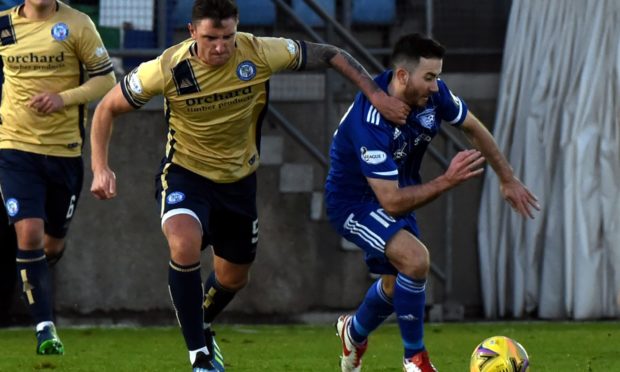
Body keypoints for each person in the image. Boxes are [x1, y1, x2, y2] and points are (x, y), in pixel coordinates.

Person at [89, 0, 410, 371]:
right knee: (183, 241)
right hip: (186, 174)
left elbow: (330, 53)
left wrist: (377, 95)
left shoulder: (259, 51)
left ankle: (201, 322)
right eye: (211, 37)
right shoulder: (166, 68)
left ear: (237, 29)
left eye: (228, 36)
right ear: (192, 32)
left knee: (234, 277)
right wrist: (101, 167)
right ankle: (200, 355)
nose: (221, 47)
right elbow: (106, 108)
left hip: (239, 183)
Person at [325, 33, 540, 372]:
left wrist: (507, 178)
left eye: (438, 76)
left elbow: (473, 126)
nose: (436, 85)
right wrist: (446, 180)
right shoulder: (370, 121)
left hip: (398, 191)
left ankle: (353, 332)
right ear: (402, 76)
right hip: (355, 202)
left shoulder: (433, 96)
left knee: (397, 284)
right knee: (415, 260)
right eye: (429, 77)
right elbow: (391, 202)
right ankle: (415, 359)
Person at [0, 0, 115, 355]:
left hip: (64, 152)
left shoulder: (77, 24)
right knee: (29, 231)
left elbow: (106, 79)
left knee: (50, 245)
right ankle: (44, 328)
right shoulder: (3, 25)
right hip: (14, 147)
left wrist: (62, 98)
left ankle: (29, 274)